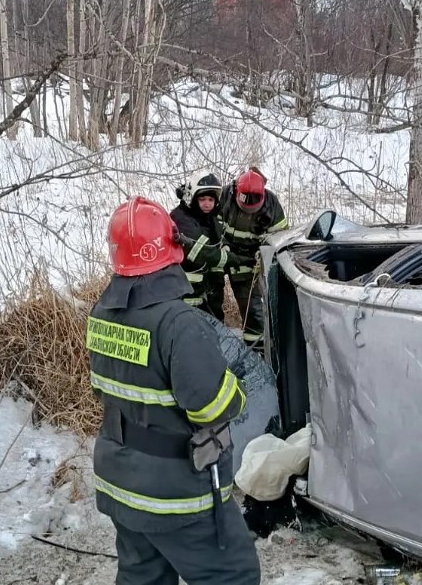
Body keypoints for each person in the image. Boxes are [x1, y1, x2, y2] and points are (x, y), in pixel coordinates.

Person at [88, 196, 261, 585]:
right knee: (233, 576)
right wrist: (235, 383)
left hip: (122, 479)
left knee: (143, 577)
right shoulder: (180, 324)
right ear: (172, 249)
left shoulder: (101, 314)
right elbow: (213, 407)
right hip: (175, 492)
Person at [219, 167, 288, 348]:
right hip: (222, 255)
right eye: (244, 200)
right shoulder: (225, 195)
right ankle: (213, 342)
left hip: (249, 262)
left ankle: (256, 350)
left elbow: (280, 240)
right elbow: (211, 224)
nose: (249, 205)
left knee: (251, 309)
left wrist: (264, 257)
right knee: (210, 299)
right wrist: (221, 245)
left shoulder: (271, 204)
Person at [170, 171, 241, 322]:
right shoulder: (181, 218)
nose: (207, 203)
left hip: (209, 294)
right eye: (202, 199)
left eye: (210, 199)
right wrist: (232, 258)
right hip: (187, 294)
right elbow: (202, 252)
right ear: (192, 198)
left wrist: (227, 249)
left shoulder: (210, 218)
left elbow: (221, 240)